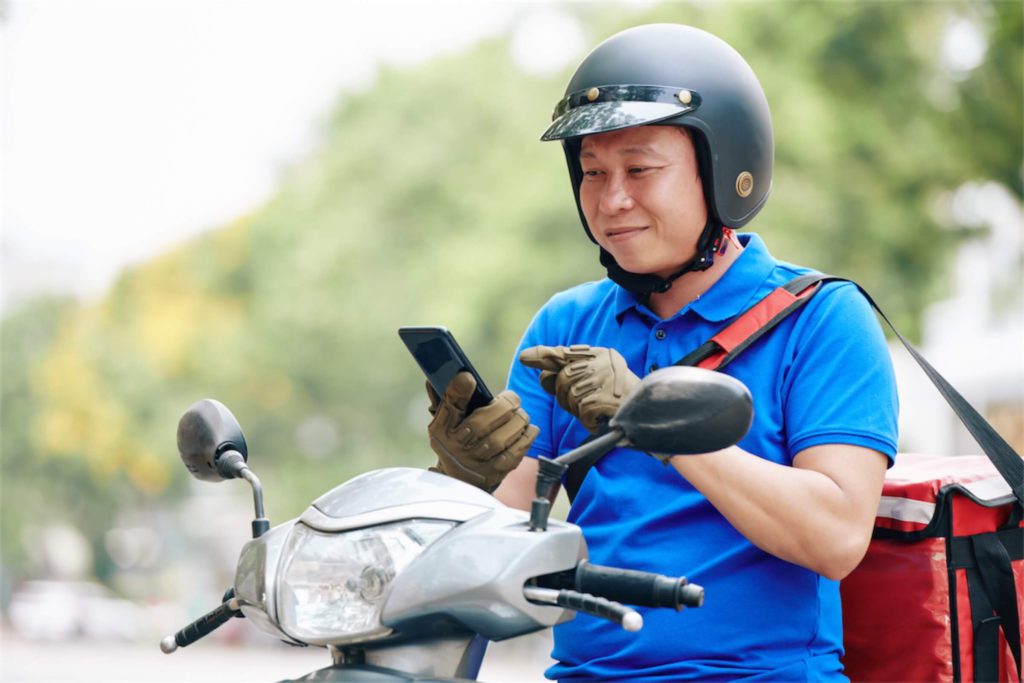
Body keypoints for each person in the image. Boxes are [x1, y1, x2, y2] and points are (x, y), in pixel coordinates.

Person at [424, 23, 898, 681]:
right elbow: (497, 539)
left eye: (640, 169)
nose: (612, 199)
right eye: (592, 172)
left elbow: (838, 537)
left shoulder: (820, 318)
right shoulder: (565, 324)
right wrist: (460, 474)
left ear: (723, 168)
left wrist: (656, 421)